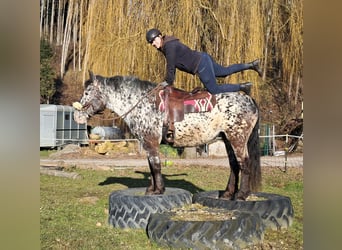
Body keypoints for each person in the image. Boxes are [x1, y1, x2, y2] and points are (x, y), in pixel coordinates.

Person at [146, 28, 262, 95]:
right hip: (203, 58)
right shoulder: (169, 43)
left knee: (214, 90)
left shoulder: (168, 47)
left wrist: (167, 82)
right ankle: (252, 65)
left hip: (200, 65)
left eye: (154, 40)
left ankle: (243, 87)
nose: (153, 44)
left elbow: (171, 66)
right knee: (224, 71)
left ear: (160, 36)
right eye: (151, 43)